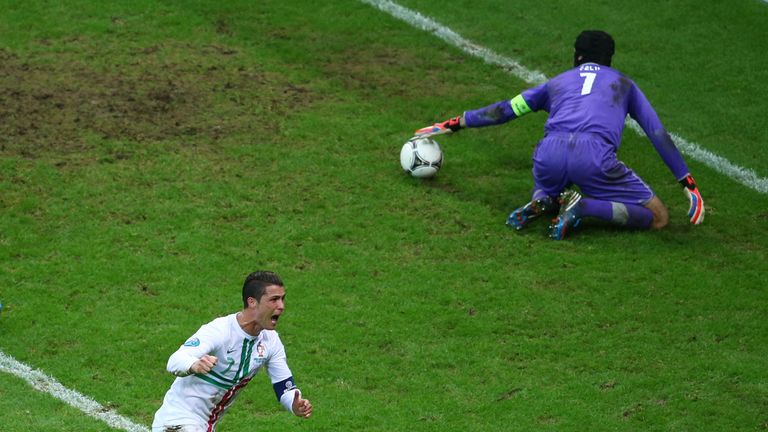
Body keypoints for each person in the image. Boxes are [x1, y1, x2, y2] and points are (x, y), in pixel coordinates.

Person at [413, 30, 704, 240]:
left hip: (549, 153)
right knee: (658, 218)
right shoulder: (625, 85)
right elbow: (656, 132)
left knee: (549, 175)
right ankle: (585, 206)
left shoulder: (555, 83)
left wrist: (456, 122)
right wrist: (687, 184)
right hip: (594, 156)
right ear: (609, 60)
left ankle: (545, 198)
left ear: (577, 56)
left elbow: (504, 111)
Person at [152, 271, 313, 432]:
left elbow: (284, 387)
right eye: (274, 300)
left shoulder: (271, 341)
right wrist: (194, 364)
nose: (281, 306)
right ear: (252, 302)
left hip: (203, 425)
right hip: (177, 421)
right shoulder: (220, 331)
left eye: (282, 299)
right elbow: (175, 360)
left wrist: (294, 403)